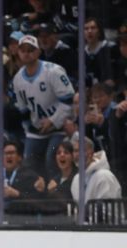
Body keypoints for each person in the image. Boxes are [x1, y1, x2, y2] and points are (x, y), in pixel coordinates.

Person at [12, 34, 74, 177]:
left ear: (38, 51)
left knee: (51, 159)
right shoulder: (18, 79)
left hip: (60, 127)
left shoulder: (53, 71)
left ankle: (56, 194)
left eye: (30, 49)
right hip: (37, 130)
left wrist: (53, 120)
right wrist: (29, 127)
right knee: (28, 163)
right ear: (18, 52)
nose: (26, 53)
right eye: (23, 50)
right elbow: (22, 110)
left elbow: (69, 100)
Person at [70, 135, 122, 206]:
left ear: (91, 153)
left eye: (83, 150)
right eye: (76, 151)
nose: (79, 154)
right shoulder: (76, 179)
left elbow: (108, 212)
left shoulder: (104, 176)